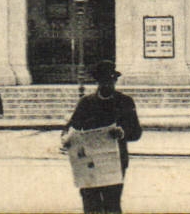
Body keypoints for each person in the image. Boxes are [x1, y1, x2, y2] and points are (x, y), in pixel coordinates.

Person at [60, 61, 143, 214]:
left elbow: (136, 132)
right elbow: (71, 126)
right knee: (90, 205)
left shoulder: (125, 102)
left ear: (115, 81)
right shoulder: (86, 103)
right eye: (103, 81)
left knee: (112, 204)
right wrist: (66, 138)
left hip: (114, 161)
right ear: (98, 81)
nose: (107, 85)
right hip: (88, 163)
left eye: (110, 80)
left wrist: (122, 133)